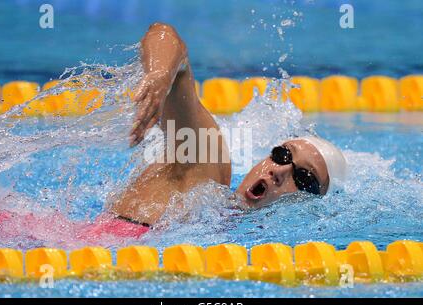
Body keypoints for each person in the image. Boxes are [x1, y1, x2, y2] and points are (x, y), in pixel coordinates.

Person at [109, 23, 347, 227]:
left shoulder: (230, 230)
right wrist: (161, 74)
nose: (280, 171)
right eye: (282, 155)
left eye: (304, 178)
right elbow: (166, 36)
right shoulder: (204, 174)